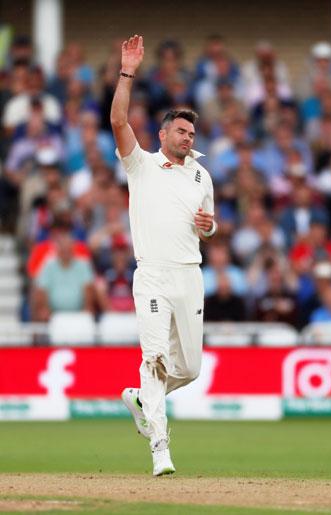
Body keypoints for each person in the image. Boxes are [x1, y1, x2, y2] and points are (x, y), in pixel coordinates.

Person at [110, 36, 216, 477]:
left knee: (189, 367)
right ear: (163, 134)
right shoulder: (142, 165)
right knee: (153, 356)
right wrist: (127, 71)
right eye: (180, 130)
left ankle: (141, 398)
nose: (187, 137)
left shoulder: (201, 174)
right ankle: (160, 446)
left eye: (191, 132)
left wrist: (211, 229)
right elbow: (118, 119)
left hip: (189, 275)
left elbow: (207, 226)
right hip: (152, 274)